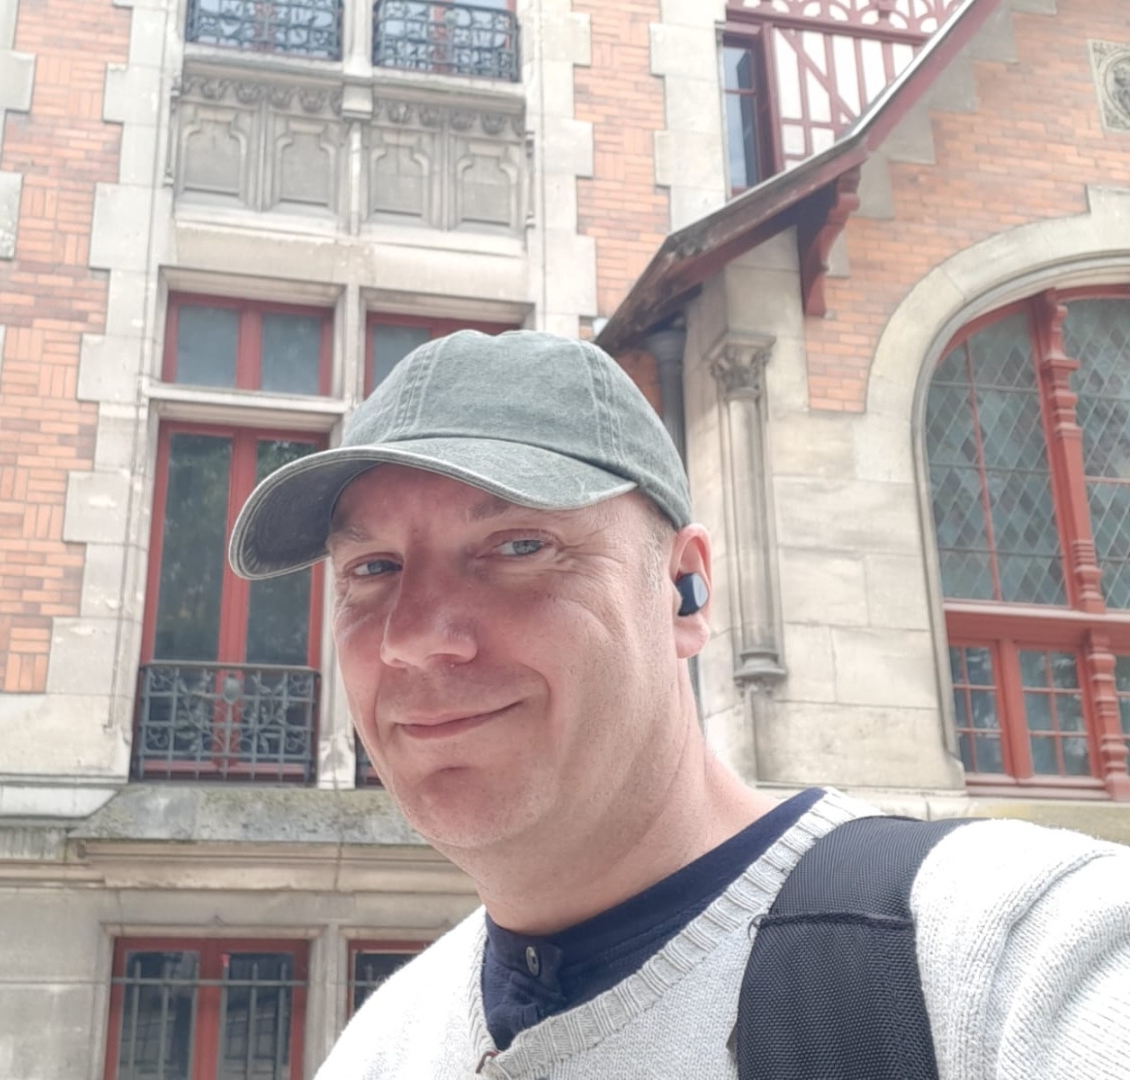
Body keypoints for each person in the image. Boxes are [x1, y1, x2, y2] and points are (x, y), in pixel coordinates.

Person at [228, 330, 1130, 1080]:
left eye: (519, 546)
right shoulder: (382, 1045)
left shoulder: (1008, 953)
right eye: (373, 568)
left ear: (684, 589)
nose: (415, 637)